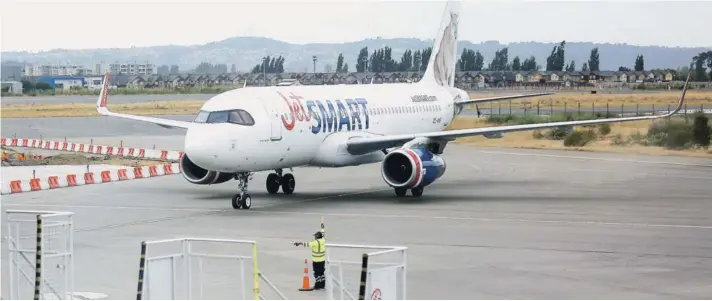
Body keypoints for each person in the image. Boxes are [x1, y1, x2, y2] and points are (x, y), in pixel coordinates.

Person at [294, 222, 326, 290]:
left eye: (315, 236)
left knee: (317, 273)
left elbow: (307, 244)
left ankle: (317, 285)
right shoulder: (323, 240)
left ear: (317, 236)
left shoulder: (315, 242)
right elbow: (323, 234)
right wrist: (322, 228)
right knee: (322, 272)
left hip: (316, 260)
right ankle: (322, 284)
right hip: (322, 260)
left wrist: (299, 243)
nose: (314, 237)